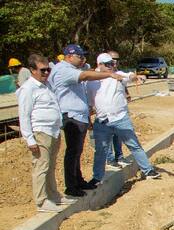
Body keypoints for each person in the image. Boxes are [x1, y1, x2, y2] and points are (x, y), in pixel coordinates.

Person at [47, 44, 126, 197]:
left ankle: (78, 180)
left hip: (79, 117)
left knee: (77, 151)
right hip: (72, 117)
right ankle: (71, 186)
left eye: (83, 56)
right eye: (80, 56)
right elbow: (85, 76)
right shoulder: (64, 70)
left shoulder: (72, 69)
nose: (83, 59)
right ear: (69, 56)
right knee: (72, 152)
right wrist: (109, 75)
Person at [16, 54, 76, 213]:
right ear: (32, 70)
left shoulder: (47, 85)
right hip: (40, 132)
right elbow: (24, 115)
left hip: (53, 131)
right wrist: (30, 139)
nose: (46, 73)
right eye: (43, 70)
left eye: (48, 69)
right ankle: (41, 201)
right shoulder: (28, 89)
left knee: (50, 165)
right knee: (41, 166)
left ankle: (53, 195)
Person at [87, 52, 159, 184]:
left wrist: (136, 77)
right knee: (100, 151)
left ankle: (148, 170)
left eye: (112, 63)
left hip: (120, 118)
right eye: (108, 64)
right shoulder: (92, 81)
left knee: (134, 145)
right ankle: (97, 177)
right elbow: (90, 102)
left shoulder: (118, 75)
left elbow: (129, 76)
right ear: (99, 65)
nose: (111, 66)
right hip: (102, 121)